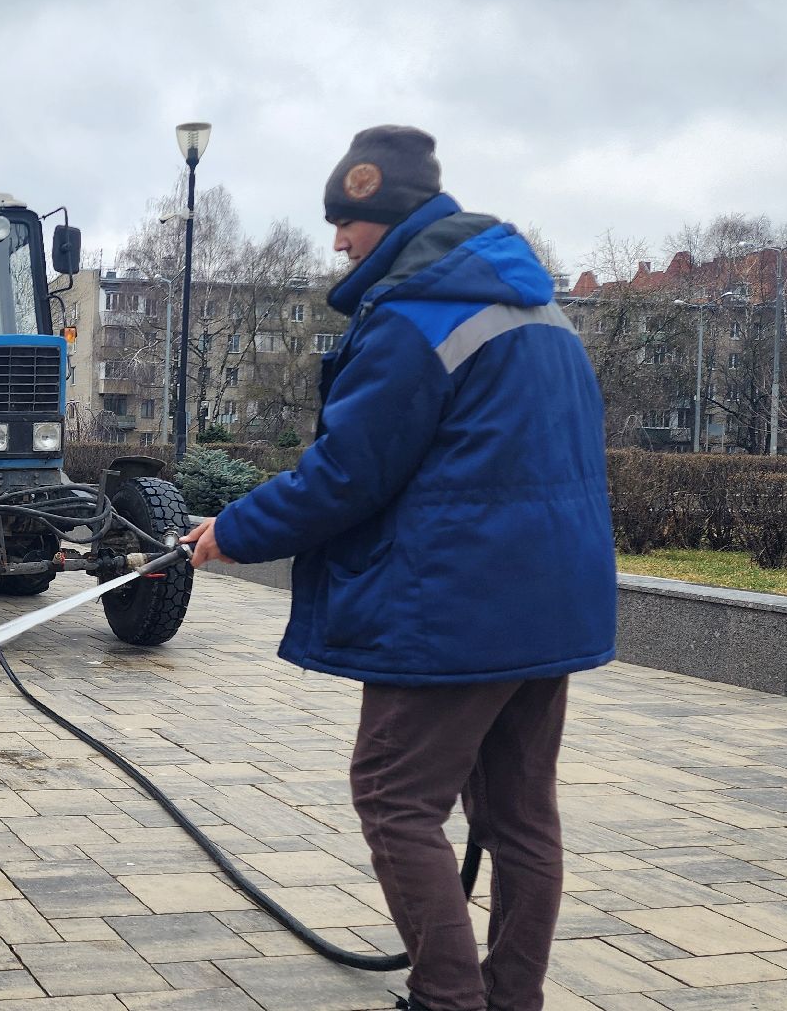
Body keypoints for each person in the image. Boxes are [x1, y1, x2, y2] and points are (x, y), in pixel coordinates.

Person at [181, 126, 615, 1011]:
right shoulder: (539, 309)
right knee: (521, 818)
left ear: (394, 215)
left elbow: (346, 474)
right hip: (554, 601)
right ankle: (512, 998)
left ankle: (448, 999)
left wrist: (231, 530)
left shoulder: (418, 317)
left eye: (348, 221)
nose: (338, 240)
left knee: (394, 797)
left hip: (458, 604)